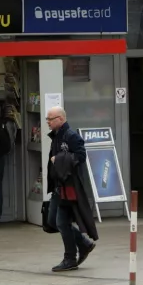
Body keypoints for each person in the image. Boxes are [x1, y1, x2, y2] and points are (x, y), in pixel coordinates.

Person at [45, 106, 98, 272]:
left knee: (61, 222)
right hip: (58, 186)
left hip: (69, 187)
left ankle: (70, 258)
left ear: (60, 119)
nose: (48, 122)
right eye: (47, 119)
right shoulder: (56, 136)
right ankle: (84, 243)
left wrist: (59, 159)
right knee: (52, 221)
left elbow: (81, 156)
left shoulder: (71, 136)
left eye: (50, 119)